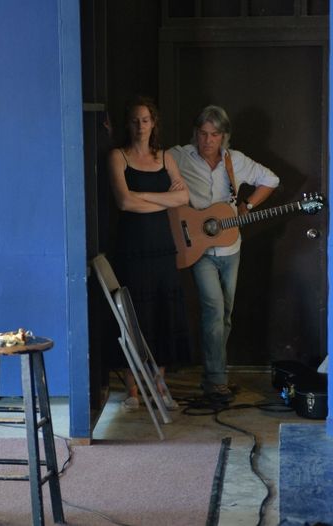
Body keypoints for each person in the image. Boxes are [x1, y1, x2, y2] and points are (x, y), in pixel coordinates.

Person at [170, 105, 280, 401]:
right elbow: (156, 165)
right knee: (214, 310)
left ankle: (212, 377)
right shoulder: (179, 156)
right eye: (203, 134)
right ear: (196, 133)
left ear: (224, 137)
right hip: (197, 248)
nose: (207, 140)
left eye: (214, 135)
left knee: (225, 314)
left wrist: (248, 206)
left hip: (231, 247)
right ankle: (217, 381)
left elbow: (271, 180)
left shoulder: (236, 162)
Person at [108, 95, 190, 411]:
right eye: (135, 120)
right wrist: (159, 198)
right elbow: (124, 203)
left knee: (163, 315)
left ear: (153, 123)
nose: (141, 126)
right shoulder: (118, 156)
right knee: (135, 316)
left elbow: (183, 196)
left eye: (146, 120)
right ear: (127, 124)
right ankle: (133, 391)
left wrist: (142, 194)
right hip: (132, 248)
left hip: (162, 247)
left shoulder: (165, 157)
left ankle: (159, 385)